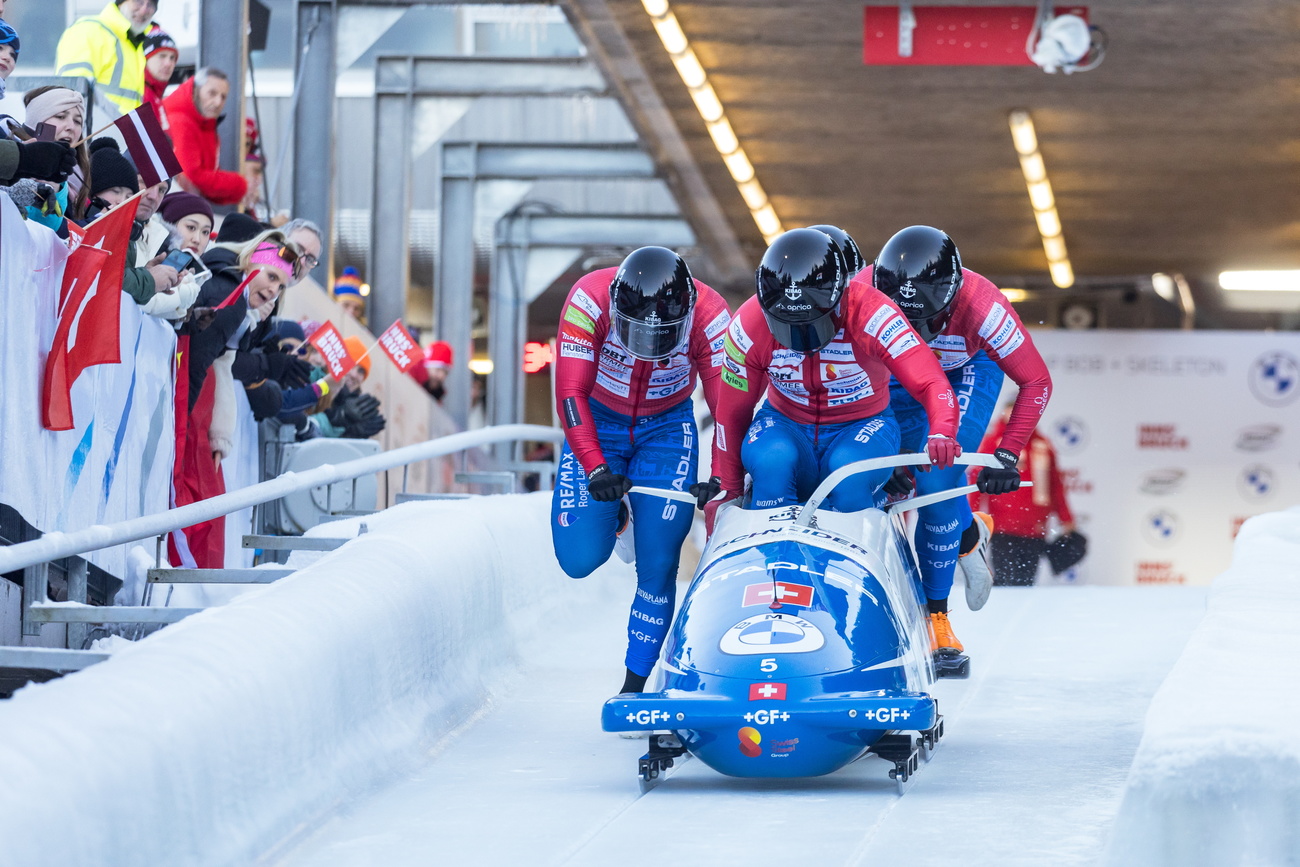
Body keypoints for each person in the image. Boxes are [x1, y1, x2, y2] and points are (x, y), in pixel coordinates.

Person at [551, 246, 730, 696]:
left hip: (665, 431)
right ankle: (620, 514)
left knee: (659, 563)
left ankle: (634, 687)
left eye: (664, 337)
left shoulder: (711, 317)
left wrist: (724, 472)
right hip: (599, 425)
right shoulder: (587, 300)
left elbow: (728, 406)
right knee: (578, 560)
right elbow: (571, 393)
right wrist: (594, 468)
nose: (649, 350)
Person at [871, 225, 1053, 656]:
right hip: (893, 372)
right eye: (903, 321)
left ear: (951, 302)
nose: (915, 331)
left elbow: (1036, 382)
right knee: (871, 478)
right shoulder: (863, 291)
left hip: (965, 372)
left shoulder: (985, 308)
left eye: (924, 321)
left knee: (936, 480)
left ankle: (937, 620)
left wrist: (1005, 456)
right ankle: (968, 532)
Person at [704, 226, 959, 522]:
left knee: (847, 473)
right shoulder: (746, 327)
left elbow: (930, 381)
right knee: (772, 462)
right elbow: (730, 413)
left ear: (841, 299)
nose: (800, 338)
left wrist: (942, 430)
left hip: (862, 426)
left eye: (813, 323)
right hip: (785, 424)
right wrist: (730, 488)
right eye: (786, 326)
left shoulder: (875, 314)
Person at [170, 231, 299, 568]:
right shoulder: (230, 298)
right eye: (271, 277)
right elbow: (197, 363)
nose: (274, 290)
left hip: (199, 413)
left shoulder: (237, 301)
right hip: (191, 411)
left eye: (282, 285)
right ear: (251, 261)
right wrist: (180, 424)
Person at [972, 411, 1077, 586]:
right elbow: (978, 483)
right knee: (1004, 582)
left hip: (1035, 529)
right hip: (1002, 529)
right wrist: (971, 517)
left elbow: (1055, 486)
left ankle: (1020, 612)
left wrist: (1066, 518)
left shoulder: (1042, 445)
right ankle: (1002, 613)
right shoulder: (994, 443)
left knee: (1026, 582)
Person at [86, 138, 181, 305]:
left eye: (162, 190)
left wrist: (148, 274)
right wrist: (149, 280)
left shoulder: (144, 234)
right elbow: (102, 278)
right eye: (145, 182)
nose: (153, 196)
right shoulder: (95, 220)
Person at [0, 86, 94, 230]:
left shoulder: (78, 177)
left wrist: (56, 188)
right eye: (61, 116)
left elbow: (48, 234)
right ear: (37, 122)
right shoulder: (11, 164)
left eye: (77, 121)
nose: (70, 126)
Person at [55, 0, 152, 123]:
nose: (144, 10)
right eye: (138, 1)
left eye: (151, 4)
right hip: (92, 135)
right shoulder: (90, 30)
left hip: (117, 135)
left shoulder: (133, 44)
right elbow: (71, 92)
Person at [163, 68, 248, 206]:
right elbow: (193, 175)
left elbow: (207, 179)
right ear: (196, 90)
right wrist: (240, 185)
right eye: (212, 93)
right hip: (175, 208)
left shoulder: (204, 123)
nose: (218, 102)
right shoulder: (180, 121)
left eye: (223, 96)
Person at [141, 24, 177, 128]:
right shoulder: (141, 93)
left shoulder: (156, 97)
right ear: (146, 58)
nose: (168, 63)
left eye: (172, 58)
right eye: (162, 56)